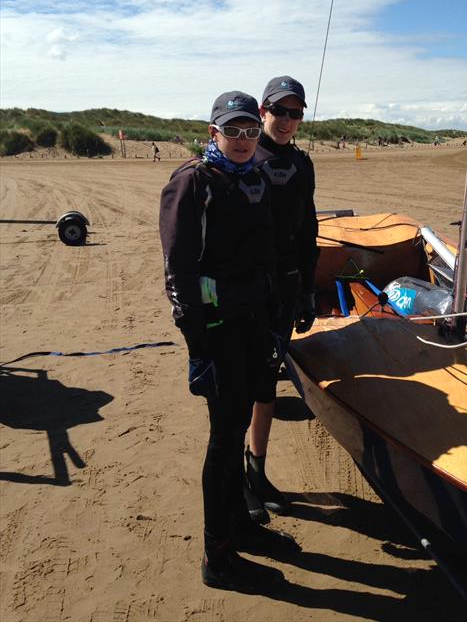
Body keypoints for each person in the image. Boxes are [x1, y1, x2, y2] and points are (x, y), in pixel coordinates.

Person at [159, 91, 297, 592]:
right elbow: (179, 273)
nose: (242, 140)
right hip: (217, 334)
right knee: (223, 439)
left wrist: (278, 306)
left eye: (249, 131)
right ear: (212, 133)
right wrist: (198, 348)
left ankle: (239, 525)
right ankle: (218, 556)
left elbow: (266, 251)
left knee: (237, 427)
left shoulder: (254, 176)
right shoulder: (193, 182)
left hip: (253, 326)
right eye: (232, 131)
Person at [244, 76, 318, 523]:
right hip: (247, 288)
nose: (287, 120)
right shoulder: (243, 156)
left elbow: (308, 229)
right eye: (280, 111)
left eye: (296, 113)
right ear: (262, 112)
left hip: (285, 288)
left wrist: (308, 287)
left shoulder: (303, 164)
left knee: (266, 382)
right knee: (241, 385)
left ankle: (258, 471)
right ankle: (236, 477)